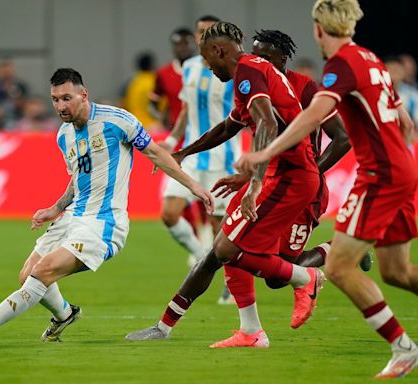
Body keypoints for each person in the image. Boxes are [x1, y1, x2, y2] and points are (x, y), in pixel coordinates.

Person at [235, 0, 418, 378]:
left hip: (381, 174)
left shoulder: (341, 65)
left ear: (317, 29)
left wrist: (268, 150)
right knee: (398, 272)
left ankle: (404, 348)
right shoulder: (371, 59)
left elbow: (315, 115)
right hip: (402, 167)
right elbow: (405, 122)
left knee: (340, 267)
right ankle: (403, 348)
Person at [0, 68, 214, 344]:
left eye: (66, 98)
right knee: (27, 274)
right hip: (73, 216)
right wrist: (56, 208)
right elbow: (78, 179)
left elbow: (155, 153)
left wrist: (193, 186)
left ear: (83, 94)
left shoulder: (117, 121)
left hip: (104, 223)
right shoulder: (63, 136)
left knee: (42, 272)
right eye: (55, 99)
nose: (60, 106)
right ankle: (65, 314)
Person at [126, 22, 325, 342]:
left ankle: (305, 276)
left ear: (219, 51)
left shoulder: (248, 71)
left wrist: (255, 182)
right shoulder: (251, 71)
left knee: (230, 250)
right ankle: (240, 330)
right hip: (277, 172)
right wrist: (184, 153)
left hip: (290, 177)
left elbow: (268, 123)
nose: (206, 65)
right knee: (220, 251)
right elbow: (229, 126)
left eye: (206, 58)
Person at [207, 28, 367, 348]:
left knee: (277, 274)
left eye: (265, 55)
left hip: (300, 185)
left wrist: (311, 171)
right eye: (254, 54)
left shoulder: (306, 87)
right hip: (273, 181)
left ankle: (340, 249)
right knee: (255, 257)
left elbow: (343, 138)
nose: (257, 59)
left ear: (283, 57)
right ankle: (251, 329)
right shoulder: (254, 81)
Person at [158, 15, 242, 303]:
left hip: (224, 157)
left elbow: (244, 114)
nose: (202, 36)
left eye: (208, 32)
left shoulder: (232, 69)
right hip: (192, 156)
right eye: (200, 32)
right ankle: (199, 255)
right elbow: (185, 110)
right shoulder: (190, 68)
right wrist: (171, 140)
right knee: (169, 213)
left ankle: (231, 285)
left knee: (222, 231)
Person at [149, 27, 196, 130]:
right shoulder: (164, 73)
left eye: (186, 44)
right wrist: (162, 118)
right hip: (175, 131)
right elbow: (154, 100)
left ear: (194, 45)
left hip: (203, 131)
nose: (182, 48)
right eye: (178, 44)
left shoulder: (206, 70)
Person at [384, 56, 418, 143]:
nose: (394, 73)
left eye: (397, 70)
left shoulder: (413, 95)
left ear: (403, 72)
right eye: (391, 69)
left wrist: (416, 141)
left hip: (409, 142)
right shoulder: (376, 92)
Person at [121, 52, 162, 132]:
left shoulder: (131, 82)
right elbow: (162, 106)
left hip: (133, 126)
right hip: (153, 127)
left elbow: (123, 104)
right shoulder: (155, 81)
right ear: (152, 65)